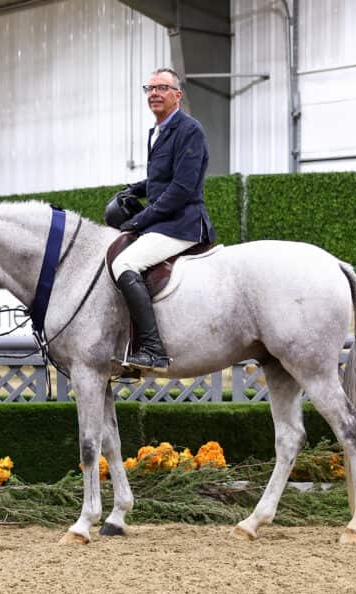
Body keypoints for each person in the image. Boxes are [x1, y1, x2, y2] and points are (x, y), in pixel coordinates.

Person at [105, 67, 217, 373]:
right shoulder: (157, 131)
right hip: (164, 222)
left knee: (124, 264)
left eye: (162, 88)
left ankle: (153, 349)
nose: (154, 93)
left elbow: (181, 189)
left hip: (183, 223)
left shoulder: (189, 130)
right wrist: (132, 190)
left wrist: (138, 221)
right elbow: (159, 180)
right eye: (150, 88)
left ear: (177, 95)